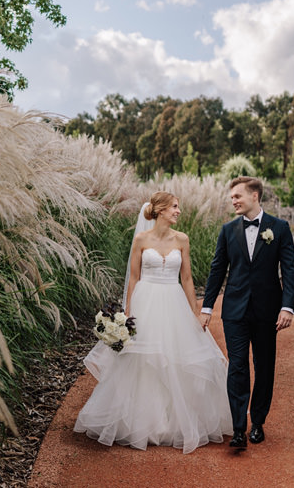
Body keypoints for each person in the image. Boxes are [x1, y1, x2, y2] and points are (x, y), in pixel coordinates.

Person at [74, 192, 233, 454]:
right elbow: (134, 279)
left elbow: (188, 279)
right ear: (159, 210)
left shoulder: (182, 239)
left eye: (178, 207)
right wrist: (127, 315)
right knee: (142, 362)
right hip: (145, 302)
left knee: (176, 358)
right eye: (174, 207)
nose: (178, 211)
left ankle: (174, 423)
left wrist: (195, 312)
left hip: (174, 301)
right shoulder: (141, 239)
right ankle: (143, 422)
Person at [200, 176, 294, 449]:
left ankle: (258, 422)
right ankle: (239, 428)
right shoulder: (228, 230)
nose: (233, 201)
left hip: (268, 312)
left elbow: (289, 269)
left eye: (238, 196)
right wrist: (207, 307)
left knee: (264, 367)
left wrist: (287, 306)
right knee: (238, 366)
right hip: (234, 311)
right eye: (232, 197)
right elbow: (217, 270)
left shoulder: (279, 228)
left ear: (255, 196)